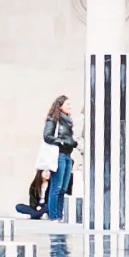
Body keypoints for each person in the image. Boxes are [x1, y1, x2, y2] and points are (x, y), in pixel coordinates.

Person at [43, 94, 76, 222]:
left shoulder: (68, 121)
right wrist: (61, 141)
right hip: (59, 155)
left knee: (63, 188)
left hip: (68, 155)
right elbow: (47, 136)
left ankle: (59, 216)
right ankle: (54, 216)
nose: (70, 107)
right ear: (60, 105)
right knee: (56, 187)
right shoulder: (53, 120)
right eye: (67, 104)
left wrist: (72, 142)